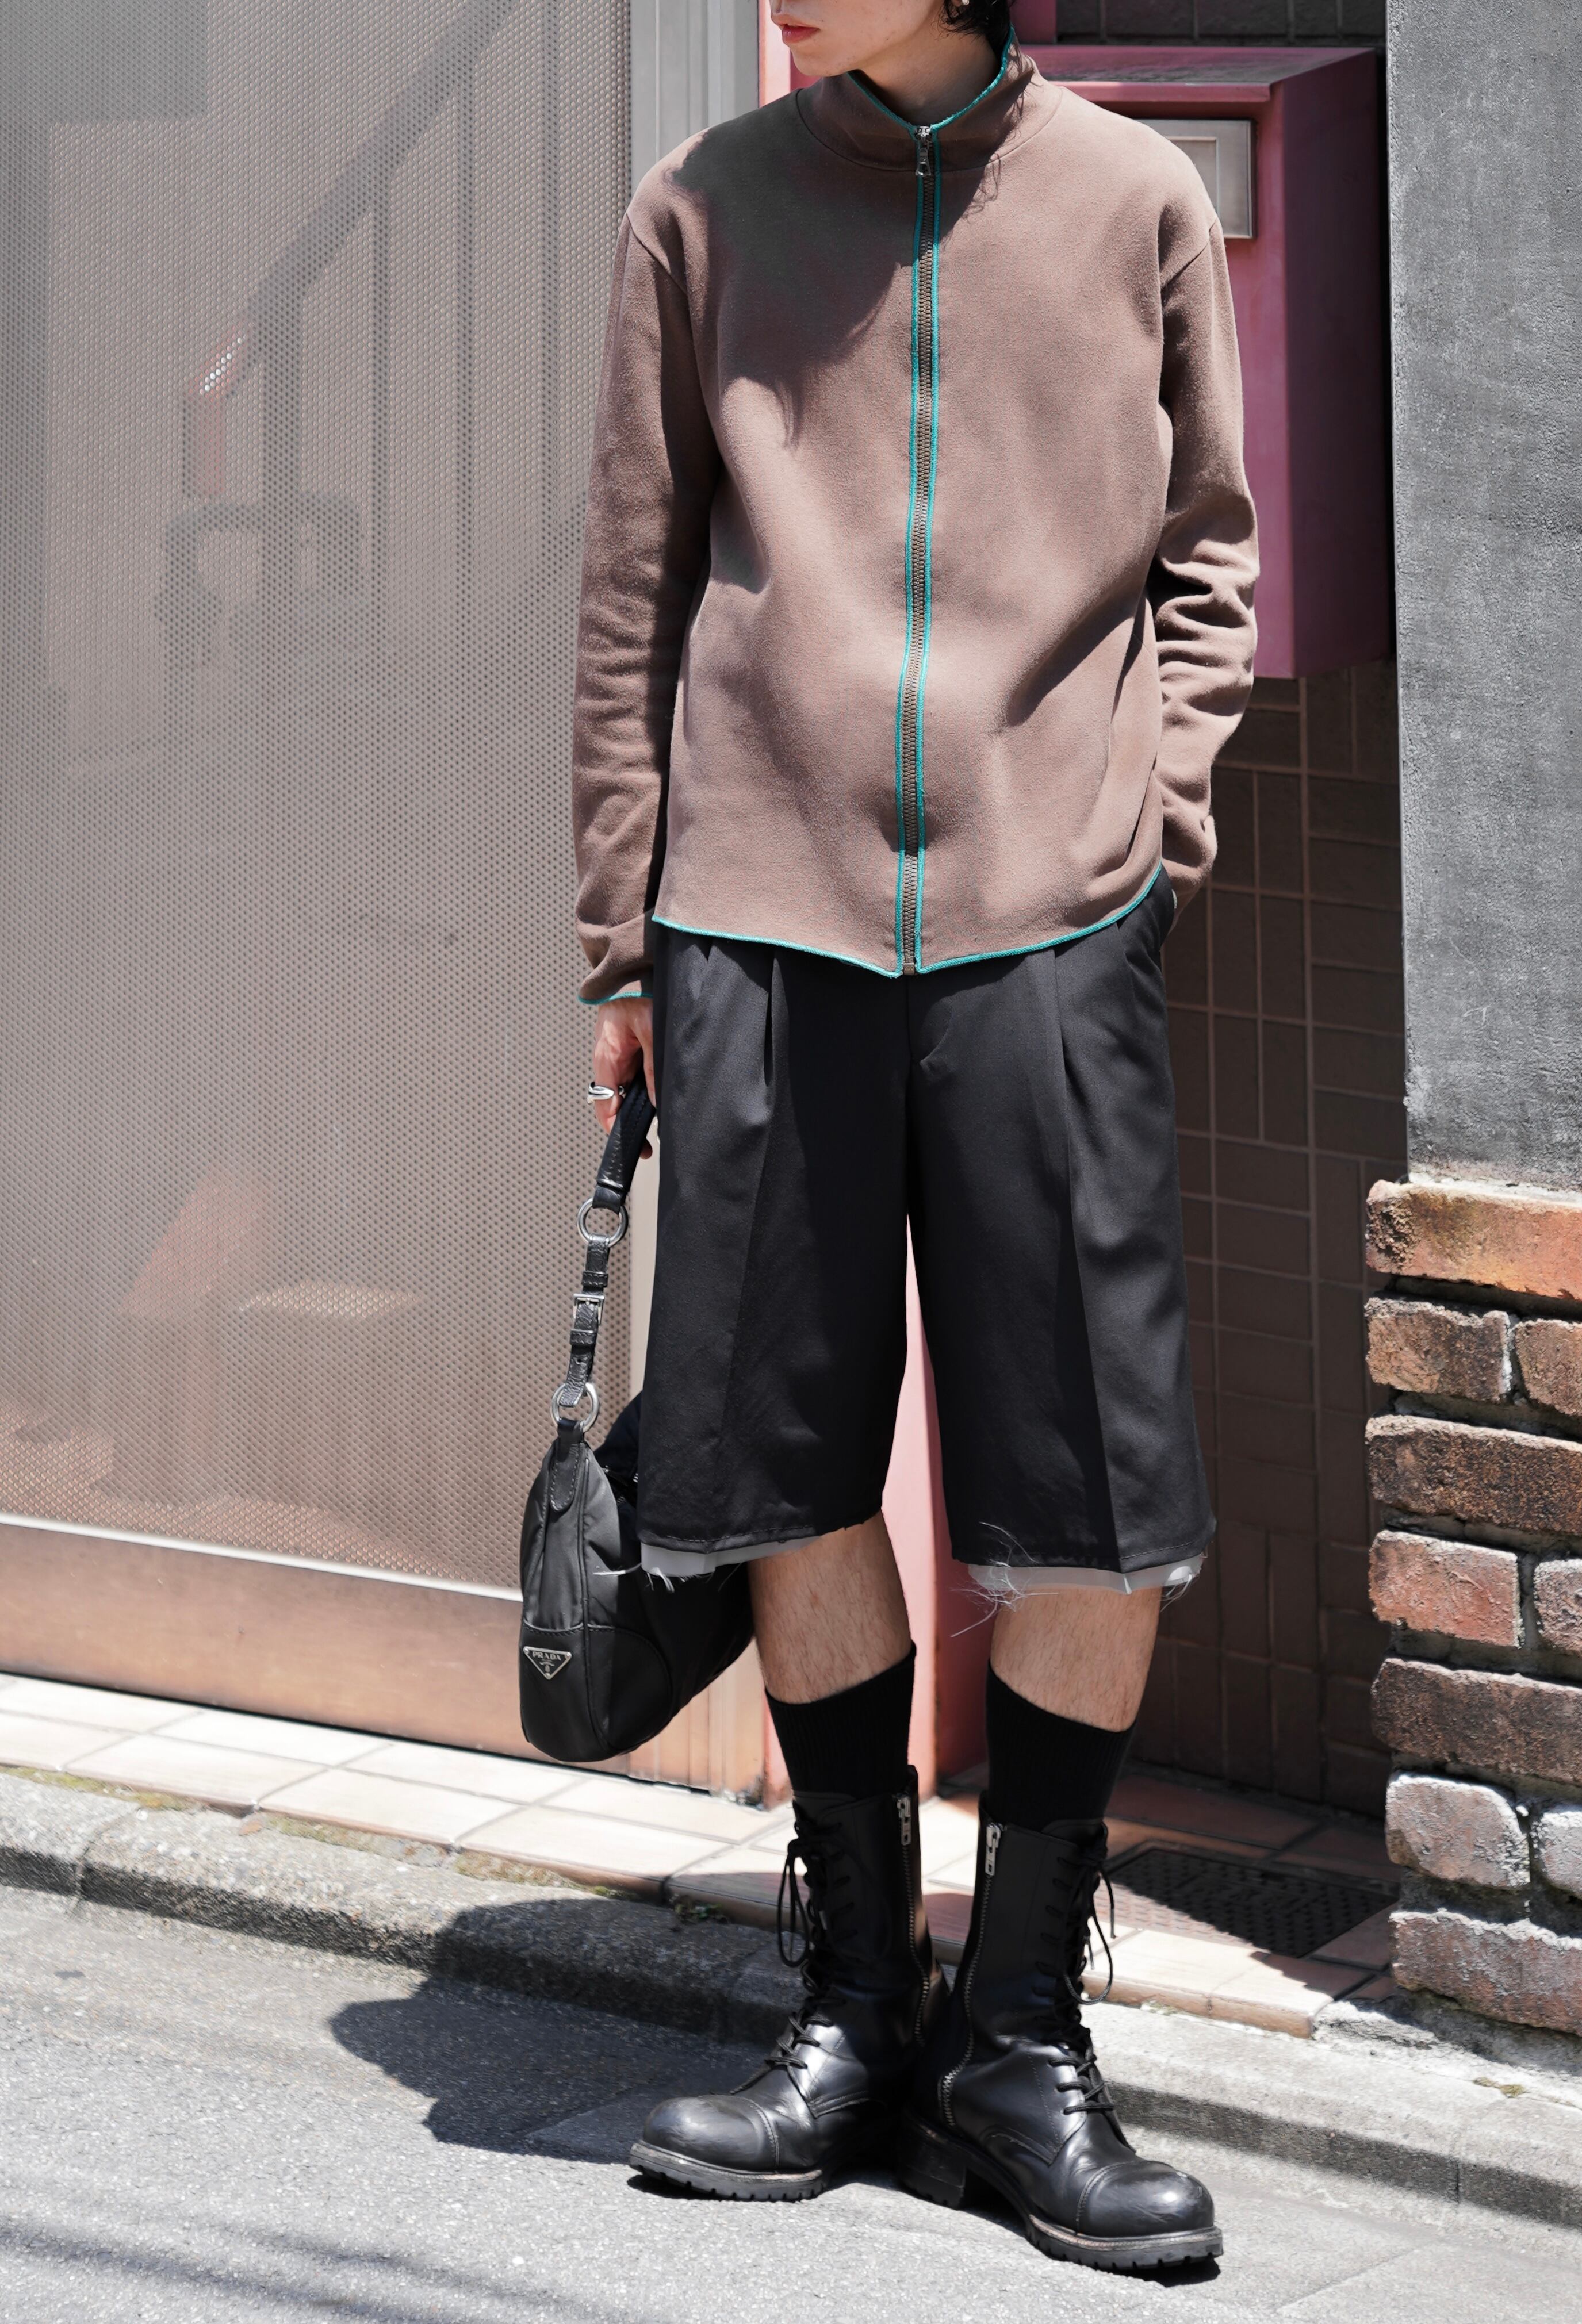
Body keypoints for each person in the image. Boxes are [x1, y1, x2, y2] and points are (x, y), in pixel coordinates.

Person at [572, 0, 1255, 2273]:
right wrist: (619, 947)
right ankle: (857, 2009)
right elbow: (630, 586)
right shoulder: (701, 208)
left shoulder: (1133, 199)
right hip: (752, 920)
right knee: (777, 1464)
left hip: (1050, 928)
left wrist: (1144, 840)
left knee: (1089, 1487)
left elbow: (1209, 557)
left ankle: (1019, 2037)